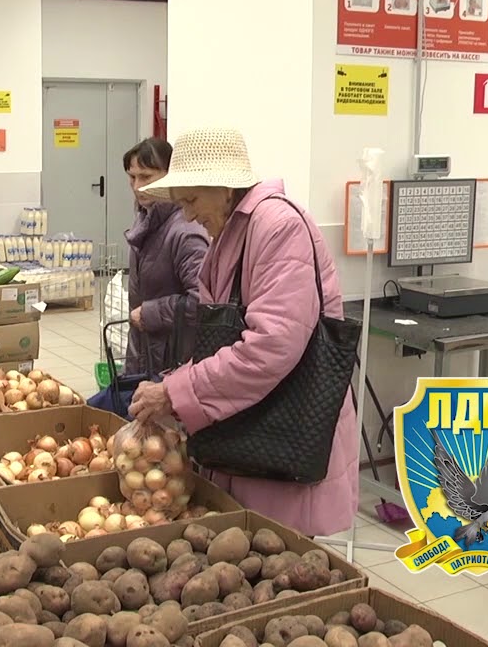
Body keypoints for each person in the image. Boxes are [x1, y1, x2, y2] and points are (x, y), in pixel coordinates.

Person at [129, 128, 358, 537]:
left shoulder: (277, 227)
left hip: (282, 435)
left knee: (280, 561)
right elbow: (223, 335)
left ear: (225, 186)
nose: (188, 215)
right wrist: (175, 383)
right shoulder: (230, 230)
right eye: (181, 203)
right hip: (250, 436)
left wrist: (177, 392)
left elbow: (270, 347)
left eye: (193, 200)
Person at [122, 138, 208, 375]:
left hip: (172, 362)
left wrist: (151, 313)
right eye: (132, 177)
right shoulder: (146, 221)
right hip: (145, 355)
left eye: (146, 177)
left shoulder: (186, 232)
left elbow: (202, 301)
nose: (137, 186)